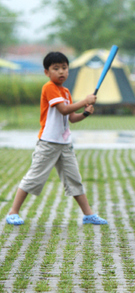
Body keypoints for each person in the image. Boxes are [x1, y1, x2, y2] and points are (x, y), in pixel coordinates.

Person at [6, 51, 108, 226]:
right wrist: (85, 100)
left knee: (74, 179)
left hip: (64, 144)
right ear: (47, 72)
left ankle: (88, 215)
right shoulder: (49, 88)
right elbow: (63, 110)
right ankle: (13, 212)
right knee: (34, 178)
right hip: (48, 143)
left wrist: (85, 113)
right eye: (56, 68)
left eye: (64, 68)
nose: (61, 72)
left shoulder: (66, 91)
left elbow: (72, 118)